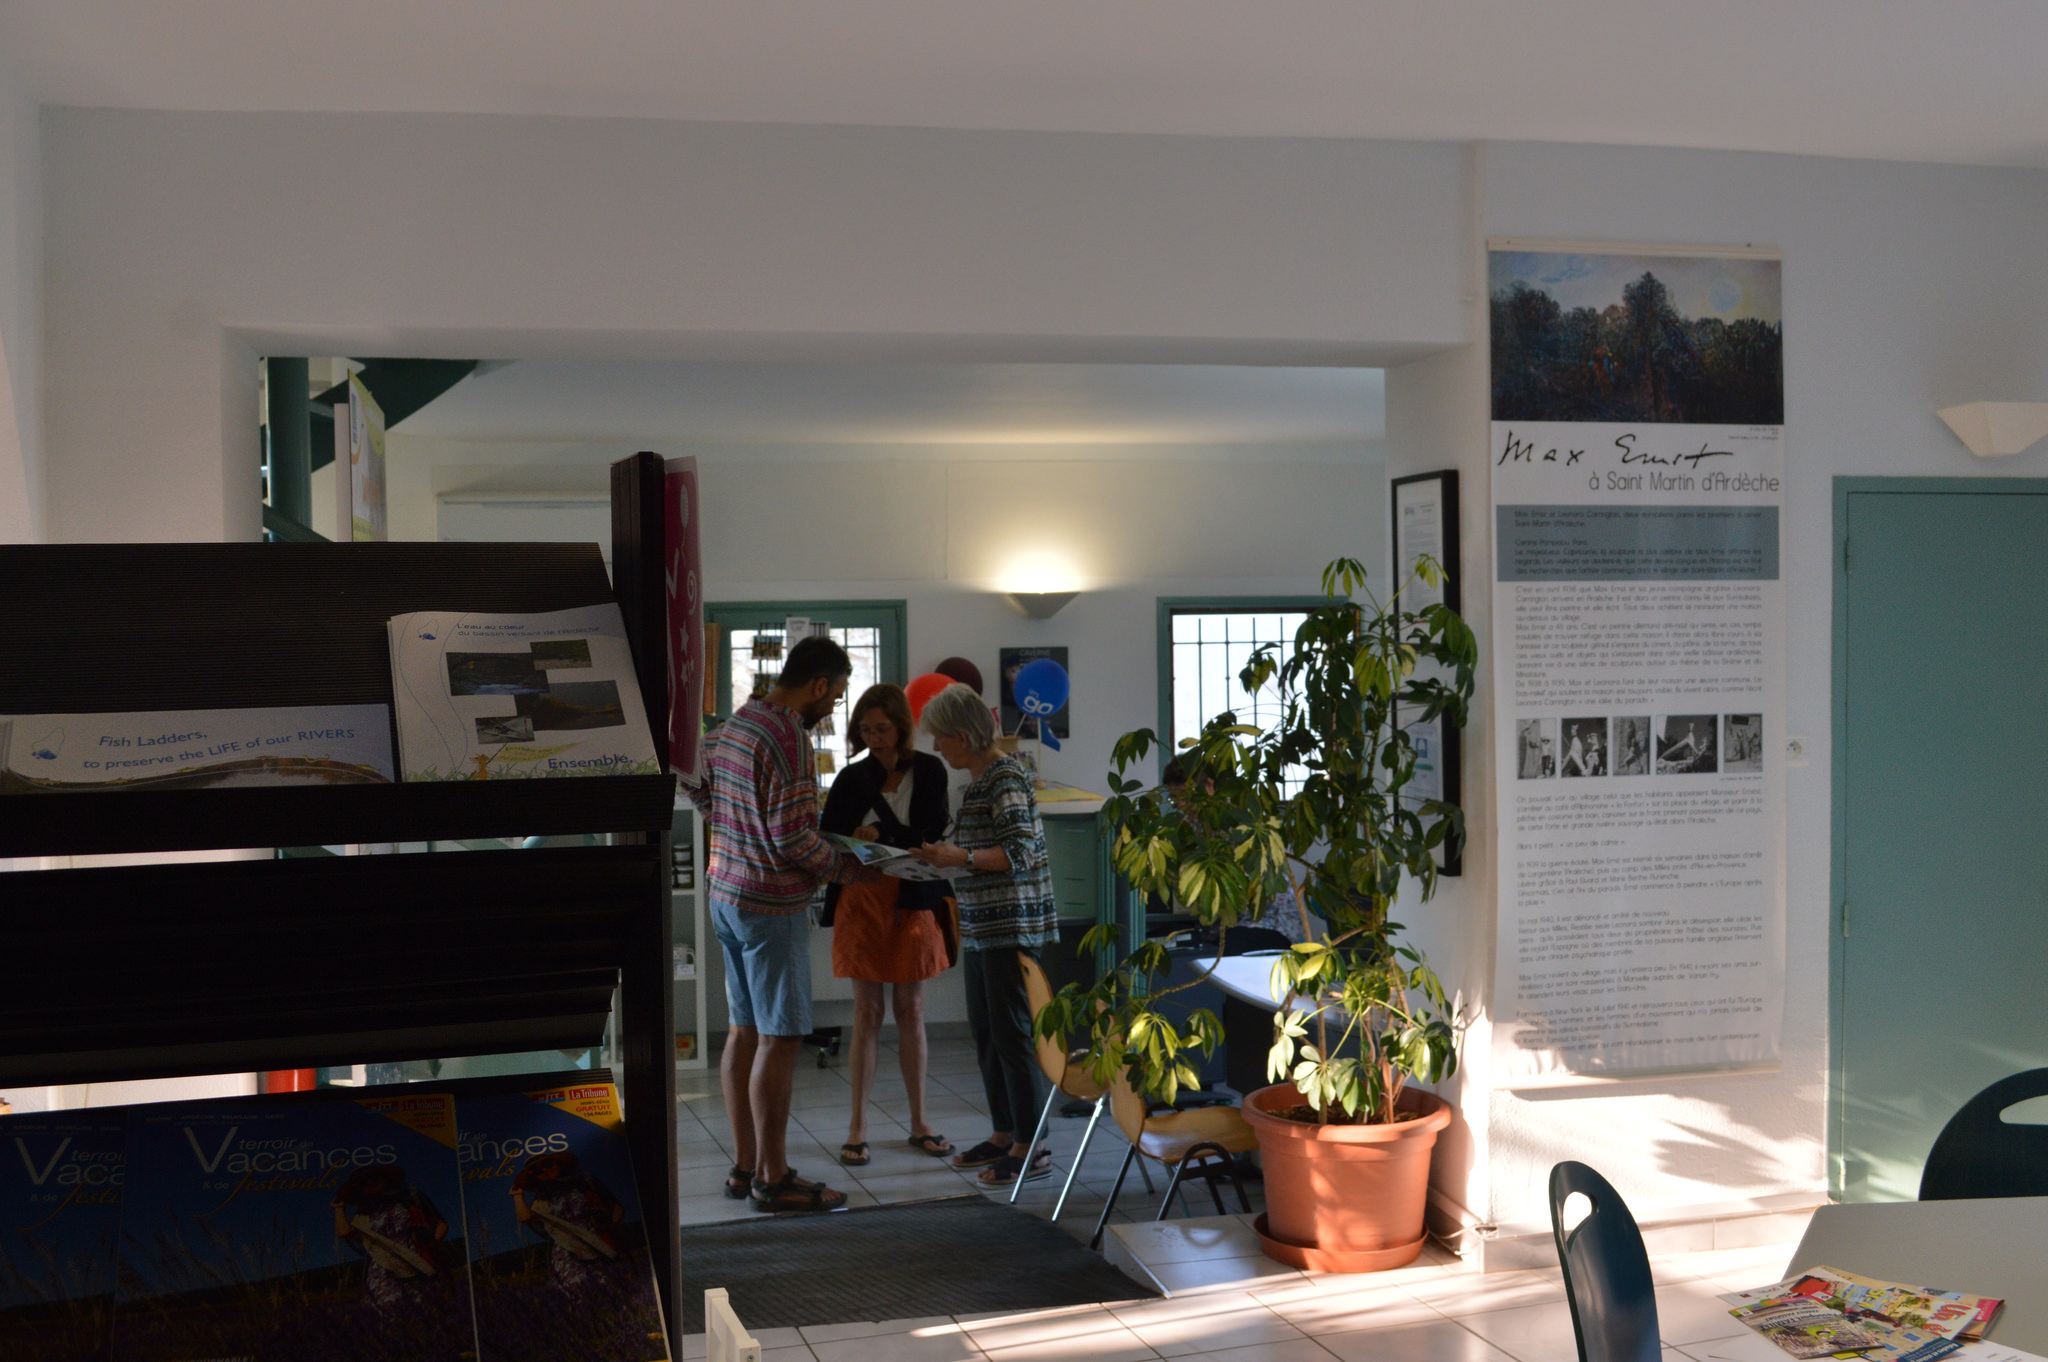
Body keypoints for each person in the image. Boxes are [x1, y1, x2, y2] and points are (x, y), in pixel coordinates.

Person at [684, 635, 878, 1213]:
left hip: (727, 894)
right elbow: (792, 838)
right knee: (781, 1036)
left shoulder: (736, 723)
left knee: (745, 1031)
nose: (835, 707)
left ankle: (744, 1167)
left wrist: (734, 827)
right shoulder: (789, 734)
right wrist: (847, 868)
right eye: (837, 694)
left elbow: (697, 786)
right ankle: (774, 1179)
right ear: (818, 684)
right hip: (770, 904)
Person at [909, 683, 1058, 1187]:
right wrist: (941, 858)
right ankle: (1003, 1132)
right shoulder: (980, 779)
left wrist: (961, 858)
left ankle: (1030, 1145)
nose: (936, 748)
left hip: (1009, 925)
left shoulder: (1005, 776)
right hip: (982, 925)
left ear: (965, 734)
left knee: (1013, 1036)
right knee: (988, 1034)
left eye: (941, 738)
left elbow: (1022, 853)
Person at [818, 682, 955, 1167]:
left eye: (882, 728)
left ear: (902, 726)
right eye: (865, 730)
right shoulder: (851, 778)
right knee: (867, 1014)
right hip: (863, 899)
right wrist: (860, 838)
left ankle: (920, 1122)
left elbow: (933, 830)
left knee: (911, 1011)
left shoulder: (931, 770)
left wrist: (883, 834)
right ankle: (857, 1125)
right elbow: (828, 836)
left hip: (913, 896)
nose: (874, 738)